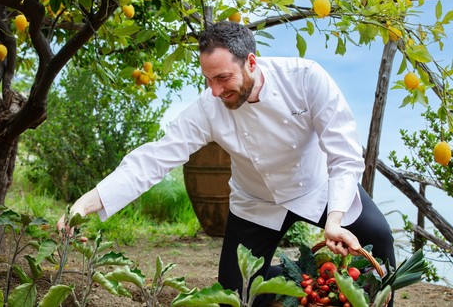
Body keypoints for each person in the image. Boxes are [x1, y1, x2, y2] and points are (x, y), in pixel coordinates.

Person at [57, 21, 395, 307]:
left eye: (222, 78)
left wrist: (334, 220)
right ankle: (306, 277)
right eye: (208, 80)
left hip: (316, 186)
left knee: (380, 240)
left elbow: (344, 153)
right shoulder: (209, 107)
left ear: (250, 62)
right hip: (256, 201)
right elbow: (154, 158)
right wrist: (85, 205)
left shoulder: (306, 78)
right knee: (236, 295)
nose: (215, 91)